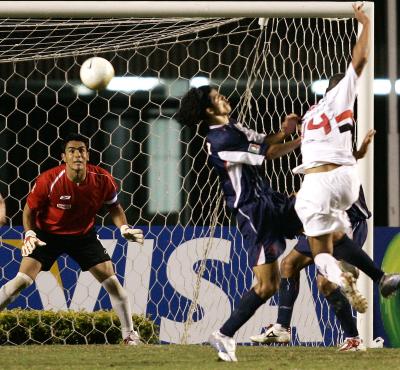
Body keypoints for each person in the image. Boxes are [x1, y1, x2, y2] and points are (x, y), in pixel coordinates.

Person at [177, 84, 305, 362]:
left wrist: (285, 131)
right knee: (266, 286)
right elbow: (267, 154)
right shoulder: (220, 139)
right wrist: (303, 141)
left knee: (315, 216)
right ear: (209, 110)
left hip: (269, 200)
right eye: (218, 98)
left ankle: (342, 277)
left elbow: (265, 141)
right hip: (254, 213)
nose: (225, 98)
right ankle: (224, 334)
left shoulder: (233, 126)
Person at [0, 133, 144, 345]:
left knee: (114, 285)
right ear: (63, 157)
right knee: (20, 282)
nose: (77, 154)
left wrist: (123, 227)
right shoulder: (48, 180)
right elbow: (29, 210)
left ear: (88, 155)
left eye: (81, 150)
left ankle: (130, 335)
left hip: (82, 236)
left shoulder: (102, 179)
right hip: (46, 236)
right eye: (72, 151)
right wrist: (29, 233)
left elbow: (114, 207)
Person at [292, 3, 371, 313]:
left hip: (318, 185)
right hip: (343, 184)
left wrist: (366, 21)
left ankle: (345, 277)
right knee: (299, 261)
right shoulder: (341, 100)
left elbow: (320, 150)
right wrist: (364, 22)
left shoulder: (312, 113)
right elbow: (360, 60)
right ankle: (370, 279)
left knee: (321, 261)